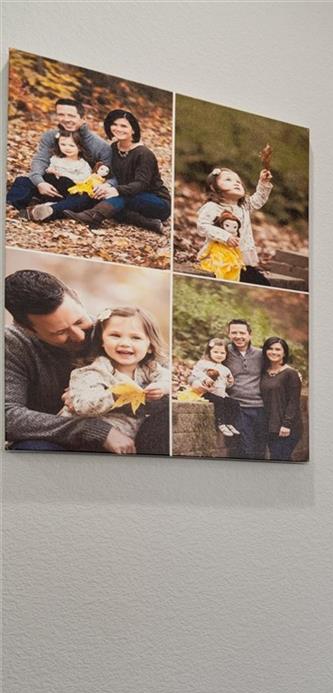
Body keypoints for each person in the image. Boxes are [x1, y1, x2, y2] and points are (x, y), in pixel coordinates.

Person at [4, 269, 135, 453]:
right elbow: (7, 416)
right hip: (53, 441)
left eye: (79, 321)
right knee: (34, 449)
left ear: (76, 297)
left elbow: (156, 379)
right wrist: (91, 429)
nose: (79, 336)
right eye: (60, 332)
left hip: (124, 426)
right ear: (27, 329)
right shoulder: (13, 344)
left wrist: (98, 395)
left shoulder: (110, 329)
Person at [36, 109, 169, 235]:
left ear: (133, 129)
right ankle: (148, 223)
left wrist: (115, 190)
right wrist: (103, 186)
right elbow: (107, 172)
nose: (118, 129)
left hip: (156, 201)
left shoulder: (144, 153)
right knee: (104, 199)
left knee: (120, 197)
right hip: (127, 198)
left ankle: (91, 216)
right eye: (114, 125)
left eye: (124, 126)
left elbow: (141, 184)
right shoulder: (114, 148)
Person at [59, 307, 170, 456]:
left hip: (128, 440)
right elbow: (84, 406)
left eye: (135, 338)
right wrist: (117, 395)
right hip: (86, 439)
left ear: (149, 346)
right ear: (102, 342)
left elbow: (167, 378)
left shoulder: (149, 368)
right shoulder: (91, 372)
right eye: (115, 335)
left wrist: (161, 387)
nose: (125, 343)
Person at [5, 98, 112, 215]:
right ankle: (10, 206)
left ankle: (49, 211)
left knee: (85, 199)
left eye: (71, 115)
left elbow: (110, 174)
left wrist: (101, 186)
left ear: (83, 118)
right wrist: (40, 183)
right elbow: (41, 160)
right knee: (23, 181)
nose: (66, 119)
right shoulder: (51, 136)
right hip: (51, 184)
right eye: (61, 114)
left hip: (76, 190)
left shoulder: (100, 146)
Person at [195, 165, 273, 285]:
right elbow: (203, 225)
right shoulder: (213, 207)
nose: (236, 183)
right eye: (228, 180)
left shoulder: (244, 207)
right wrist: (225, 237)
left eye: (238, 182)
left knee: (263, 283)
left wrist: (263, 182)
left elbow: (258, 200)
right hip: (220, 258)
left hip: (241, 261)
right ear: (213, 187)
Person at [221, 319, 266, 459]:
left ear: (249, 335)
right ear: (228, 334)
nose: (238, 336)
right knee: (245, 449)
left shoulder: (261, 354)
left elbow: (278, 367)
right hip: (238, 407)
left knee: (261, 449)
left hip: (261, 408)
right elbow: (205, 366)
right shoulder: (224, 352)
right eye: (234, 332)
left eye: (242, 333)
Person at [260, 336, 303, 461]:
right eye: (270, 349)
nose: (274, 352)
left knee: (281, 459)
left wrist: (286, 424)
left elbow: (294, 401)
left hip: (287, 427)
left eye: (278, 350)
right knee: (276, 458)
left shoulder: (291, 373)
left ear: (284, 353)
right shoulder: (264, 372)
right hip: (269, 425)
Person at [188, 337, 240, 437]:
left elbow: (227, 384)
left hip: (220, 392)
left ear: (226, 354)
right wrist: (205, 379)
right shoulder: (203, 363)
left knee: (233, 403)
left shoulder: (225, 369)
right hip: (206, 392)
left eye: (222, 353)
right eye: (215, 352)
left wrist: (230, 382)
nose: (219, 355)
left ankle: (230, 423)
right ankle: (220, 423)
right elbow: (195, 372)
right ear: (209, 352)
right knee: (219, 401)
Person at [196, 211, 245, 282]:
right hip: (218, 256)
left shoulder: (234, 241)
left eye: (235, 227)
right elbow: (208, 247)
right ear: (221, 225)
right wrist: (201, 256)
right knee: (220, 266)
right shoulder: (217, 239)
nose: (231, 230)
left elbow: (238, 251)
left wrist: (240, 261)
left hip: (231, 258)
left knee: (235, 268)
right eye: (227, 226)